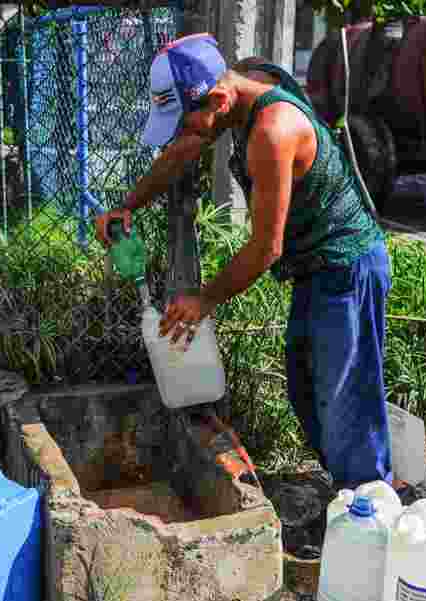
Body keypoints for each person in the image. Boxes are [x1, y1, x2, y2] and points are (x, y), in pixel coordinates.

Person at [95, 33, 397, 492]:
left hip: (348, 268)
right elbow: (188, 145)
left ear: (218, 99)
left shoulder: (273, 133)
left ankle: (371, 505)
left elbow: (265, 248)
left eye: (187, 121)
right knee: (307, 390)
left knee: (346, 403)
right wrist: (130, 203)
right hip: (317, 270)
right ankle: (349, 495)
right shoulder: (239, 89)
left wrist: (204, 300)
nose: (185, 134)